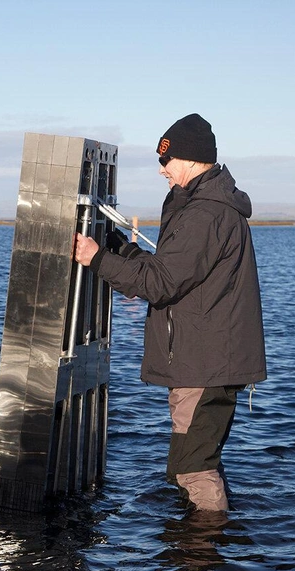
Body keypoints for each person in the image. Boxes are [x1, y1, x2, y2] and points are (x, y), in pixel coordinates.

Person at [75, 113, 266, 511]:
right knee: (196, 462)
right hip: (206, 361)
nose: (161, 169)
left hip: (205, 365)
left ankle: (202, 556)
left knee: (192, 469)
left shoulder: (206, 214)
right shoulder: (202, 207)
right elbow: (171, 272)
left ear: (192, 159)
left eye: (167, 160)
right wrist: (121, 251)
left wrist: (96, 259)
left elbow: (158, 284)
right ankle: (206, 549)